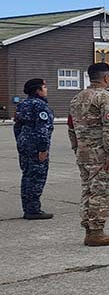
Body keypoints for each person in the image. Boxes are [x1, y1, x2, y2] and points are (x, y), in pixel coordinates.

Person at [68, 63, 109, 246]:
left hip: (84, 154)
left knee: (88, 190)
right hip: (100, 154)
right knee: (102, 191)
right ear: (106, 78)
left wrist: (77, 148)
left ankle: (88, 229)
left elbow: (71, 127)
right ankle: (96, 232)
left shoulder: (77, 98)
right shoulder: (105, 97)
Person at [14, 78, 54, 220]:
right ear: (38, 90)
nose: (46, 89)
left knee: (27, 176)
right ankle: (33, 210)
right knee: (37, 178)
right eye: (44, 87)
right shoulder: (40, 106)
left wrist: (20, 142)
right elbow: (42, 129)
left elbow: (17, 126)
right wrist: (43, 149)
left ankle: (28, 207)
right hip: (36, 147)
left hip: (24, 144)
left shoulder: (22, 105)